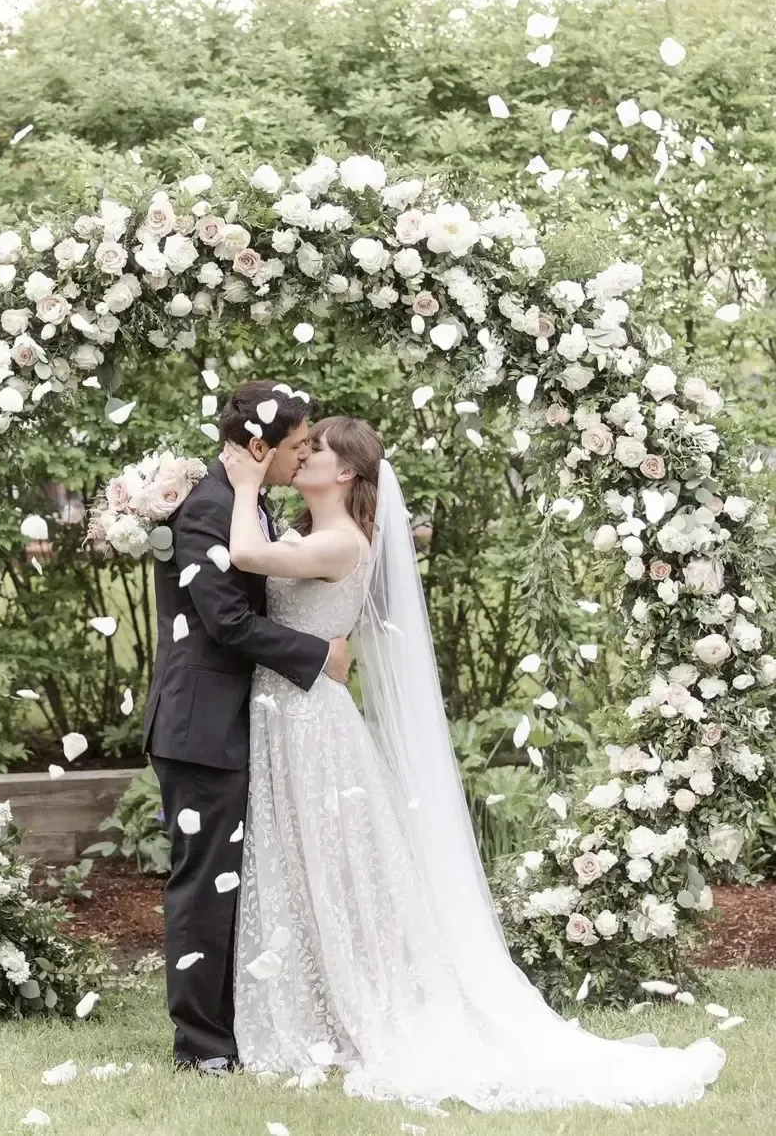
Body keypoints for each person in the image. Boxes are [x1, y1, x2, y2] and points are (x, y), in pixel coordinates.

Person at [218, 414, 726, 1114]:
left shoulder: (340, 542)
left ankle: (357, 1005)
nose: (300, 456)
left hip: (313, 722)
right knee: (299, 860)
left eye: (316, 451)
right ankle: (314, 1005)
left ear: (345, 473)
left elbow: (244, 556)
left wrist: (243, 484)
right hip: (288, 709)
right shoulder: (308, 533)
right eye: (300, 448)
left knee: (329, 859)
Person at [142, 380, 352, 1075]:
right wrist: (318, 655)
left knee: (234, 883)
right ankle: (199, 1047)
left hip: (236, 724)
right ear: (258, 446)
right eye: (295, 446)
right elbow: (225, 622)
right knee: (203, 884)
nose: (303, 457)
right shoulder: (207, 510)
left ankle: (233, 1028)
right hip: (200, 727)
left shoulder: (245, 503)